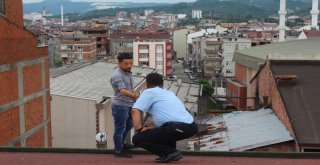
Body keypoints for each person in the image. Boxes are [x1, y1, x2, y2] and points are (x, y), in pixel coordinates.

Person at [131, 73, 198, 163]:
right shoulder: (168, 92)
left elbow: (135, 111)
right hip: (191, 126)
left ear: (147, 84)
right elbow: (165, 112)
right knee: (163, 130)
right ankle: (167, 154)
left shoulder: (148, 92)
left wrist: (139, 128)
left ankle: (171, 152)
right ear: (162, 84)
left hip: (177, 127)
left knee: (137, 139)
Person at [110, 53, 139, 158]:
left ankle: (121, 144)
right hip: (120, 106)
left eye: (130, 63)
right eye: (126, 63)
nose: (129, 65)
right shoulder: (118, 75)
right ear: (119, 63)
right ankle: (118, 151)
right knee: (119, 128)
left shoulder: (128, 73)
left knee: (129, 125)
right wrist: (136, 97)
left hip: (129, 104)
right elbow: (122, 91)